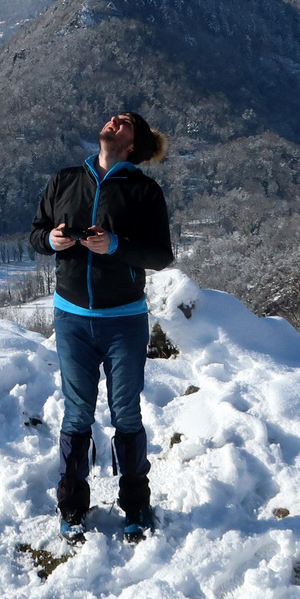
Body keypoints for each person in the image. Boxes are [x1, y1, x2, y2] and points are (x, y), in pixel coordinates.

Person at [29, 111, 174, 541]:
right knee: (76, 413)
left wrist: (115, 246)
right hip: (71, 317)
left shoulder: (145, 192)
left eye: (125, 122)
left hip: (124, 320)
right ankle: (72, 508)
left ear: (133, 144)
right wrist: (51, 241)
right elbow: (37, 233)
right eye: (114, 117)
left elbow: (161, 255)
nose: (115, 120)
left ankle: (135, 507)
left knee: (126, 413)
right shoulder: (66, 179)